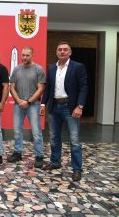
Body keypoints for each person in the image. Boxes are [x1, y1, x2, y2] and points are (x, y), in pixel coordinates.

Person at [40, 41, 87, 182]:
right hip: (54, 107)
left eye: (65, 50)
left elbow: (84, 87)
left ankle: (77, 169)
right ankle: (55, 162)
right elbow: (48, 88)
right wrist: (43, 104)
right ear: (56, 52)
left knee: (74, 140)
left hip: (70, 107)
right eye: (59, 49)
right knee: (54, 137)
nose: (62, 52)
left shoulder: (78, 67)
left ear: (70, 53)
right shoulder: (51, 68)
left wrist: (80, 106)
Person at [8, 46, 45, 168]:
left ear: (32, 55)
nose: (24, 57)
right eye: (23, 55)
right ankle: (17, 153)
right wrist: (19, 101)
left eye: (27, 55)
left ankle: (39, 156)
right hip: (18, 105)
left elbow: (41, 88)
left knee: (36, 132)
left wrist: (28, 102)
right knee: (17, 131)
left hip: (33, 105)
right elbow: (11, 86)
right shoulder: (16, 69)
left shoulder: (38, 69)